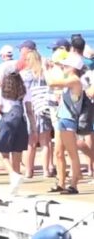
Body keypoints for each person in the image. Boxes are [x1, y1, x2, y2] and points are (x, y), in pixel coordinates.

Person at [45, 53, 85, 195]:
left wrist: (46, 69)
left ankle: (74, 184)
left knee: (72, 153)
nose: (63, 67)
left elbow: (51, 83)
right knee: (59, 152)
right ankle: (61, 182)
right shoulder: (70, 80)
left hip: (69, 120)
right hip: (62, 118)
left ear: (73, 67)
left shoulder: (74, 80)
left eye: (66, 65)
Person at [0, 71, 30, 196]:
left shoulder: (1, 91)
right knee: (17, 153)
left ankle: (13, 175)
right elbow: (29, 110)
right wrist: (34, 128)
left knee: (4, 154)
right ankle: (15, 186)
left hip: (7, 123)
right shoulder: (24, 91)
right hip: (21, 122)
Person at [21, 50, 54, 178]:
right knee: (45, 142)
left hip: (31, 109)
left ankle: (29, 171)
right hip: (44, 108)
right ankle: (46, 170)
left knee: (31, 143)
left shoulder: (25, 75)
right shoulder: (45, 73)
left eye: (27, 60)